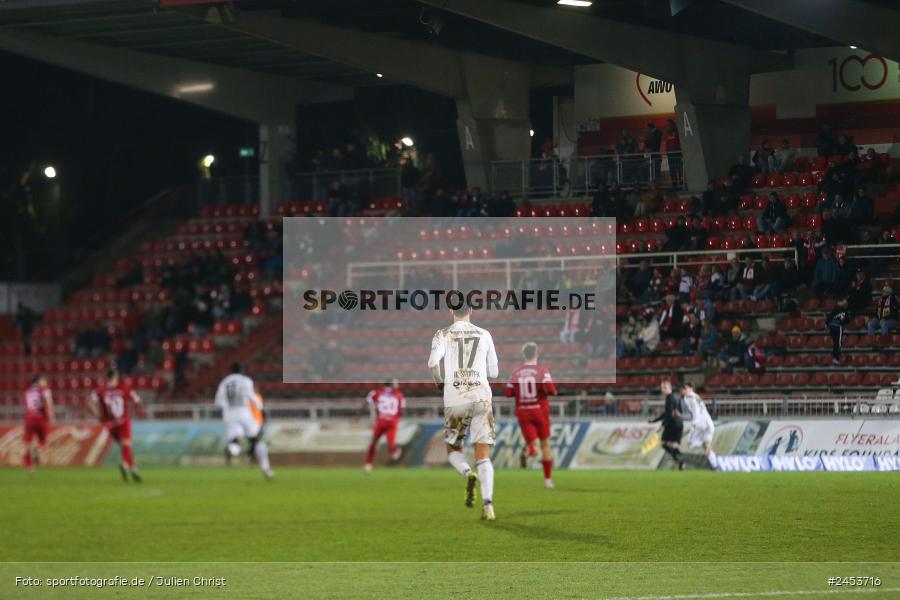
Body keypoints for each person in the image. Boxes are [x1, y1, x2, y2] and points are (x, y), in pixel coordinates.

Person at [428, 302, 499, 521]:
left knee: (453, 450)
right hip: (480, 395)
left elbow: (432, 363)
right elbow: (494, 372)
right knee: (483, 454)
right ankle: (488, 504)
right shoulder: (484, 334)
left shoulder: (443, 334)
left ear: (451, 312)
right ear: (471, 311)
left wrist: (439, 382)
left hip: (455, 397)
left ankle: (468, 474)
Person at [505, 342, 558, 489]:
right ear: (536, 354)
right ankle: (548, 480)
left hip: (523, 412)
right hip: (540, 411)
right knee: (545, 444)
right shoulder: (542, 371)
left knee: (534, 446)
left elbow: (508, 393)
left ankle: (530, 450)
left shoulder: (516, 372)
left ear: (524, 355)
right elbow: (551, 389)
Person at [214, 363, 273, 479]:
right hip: (244, 412)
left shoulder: (224, 382)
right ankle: (266, 469)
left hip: (230, 415)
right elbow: (252, 396)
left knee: (235, 440)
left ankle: (232, 449)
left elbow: (217, 402)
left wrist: (227, 409)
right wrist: (261, 406)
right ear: (242, 370)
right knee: (257, 440)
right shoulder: (246, 380)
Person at [89, 369, 142, 483]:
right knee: (126, 444)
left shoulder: (100, 390)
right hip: (123, 420)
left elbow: (88, 401)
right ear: (115, 377)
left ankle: (133, 468)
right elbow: (137, 400)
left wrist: (97, 415)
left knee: (125, 445)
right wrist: (137, 410)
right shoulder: (123, 388)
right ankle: (125, 464)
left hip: (109, 424)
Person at [362, 380, 405, 472]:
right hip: (385, 422)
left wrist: (358, 415)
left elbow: (367, 401)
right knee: (375, 443)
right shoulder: (398, 395)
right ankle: (368, 463)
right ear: (391, 384)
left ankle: (393, 451)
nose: (398, 385)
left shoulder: (378, 392)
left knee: (389, 445)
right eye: (396, 383)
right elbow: (402, 410)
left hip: (389, 422)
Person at [679, 382, 718, 470]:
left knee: (690, 444)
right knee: (706, 446)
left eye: (685, 388)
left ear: (691, 389)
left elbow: (696, 411)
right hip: (709, 423)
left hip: (700, 424)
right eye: (682, 389)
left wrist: (694, 424)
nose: (683, 390)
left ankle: (682, 463)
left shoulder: (688, 397)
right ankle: (715, 466)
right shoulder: (696, 396)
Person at [650, 381, 684, 470]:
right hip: (679, 423)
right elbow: (679, 411)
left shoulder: (669, 398)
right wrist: (655, 420)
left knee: (663, 443)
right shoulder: (676, 397)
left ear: (668, 388)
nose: (662, 389)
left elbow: (669, 414)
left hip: (672, 424)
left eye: (663, 387)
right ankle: (680, 461)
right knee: (674, 445)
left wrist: (663, 425)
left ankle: (678, 458)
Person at [22, 375, 54, 473]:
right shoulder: (45, 390)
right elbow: (49, 402)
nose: (45, 382)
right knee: (43, 442)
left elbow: (27, 405)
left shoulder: (27, 391)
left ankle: (30, 468)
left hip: (29, 419)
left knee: (28, 443)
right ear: (39, 381)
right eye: (44, 380)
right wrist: (51, 415)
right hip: (41, 418)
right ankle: (36, 450)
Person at [826, 298, 851, 365]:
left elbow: (829, 318)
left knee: (836, 343)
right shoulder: (844, 311)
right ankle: (836, 357)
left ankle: (835, 356)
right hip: (837, 327)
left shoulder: (835, 310)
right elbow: (847, 320)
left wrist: (827, 325)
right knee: (838, 344)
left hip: (832, 326)